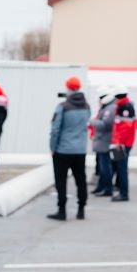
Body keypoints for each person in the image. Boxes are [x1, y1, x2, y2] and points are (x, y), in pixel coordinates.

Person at [47, 76, 91, 221]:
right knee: (80, 180)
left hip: (63, 150)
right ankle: (81, 209)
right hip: (80, 150)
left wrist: (52, 148)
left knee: (61, 181)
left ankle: (62, 211)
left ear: (68, 88)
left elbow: (55, 129)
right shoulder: (87, 106)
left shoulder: (63, 107)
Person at [110, 91, 136, 202]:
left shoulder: (125, 107)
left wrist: (118, 142)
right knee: (120, 168)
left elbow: (125, 127)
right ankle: (122, 191)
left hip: (123, 144)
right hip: (122, 143)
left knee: (122, 169)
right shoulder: (123, 106)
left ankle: (124, 194)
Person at [89, 91, 116, 197]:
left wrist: (92, 121)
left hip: (104, 141)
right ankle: (101, 186)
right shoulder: (107, 108)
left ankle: (107, 188)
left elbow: (105, 125)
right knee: (102, 166)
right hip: (102, 141)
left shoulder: (110, 109)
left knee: (105, 167)